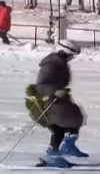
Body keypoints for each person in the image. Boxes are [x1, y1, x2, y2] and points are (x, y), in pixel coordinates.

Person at [28, 40, 87, 168]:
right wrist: (55, 92)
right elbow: (42, 84)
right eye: (71, 55)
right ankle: (53, 154)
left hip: (58, 97)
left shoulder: (59, 62)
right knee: (60, 123)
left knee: (76, 116)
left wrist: (60, 90)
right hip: (50, 99)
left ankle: (68, 145)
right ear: (64, 52)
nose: (72, 58)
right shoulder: (51, 64)